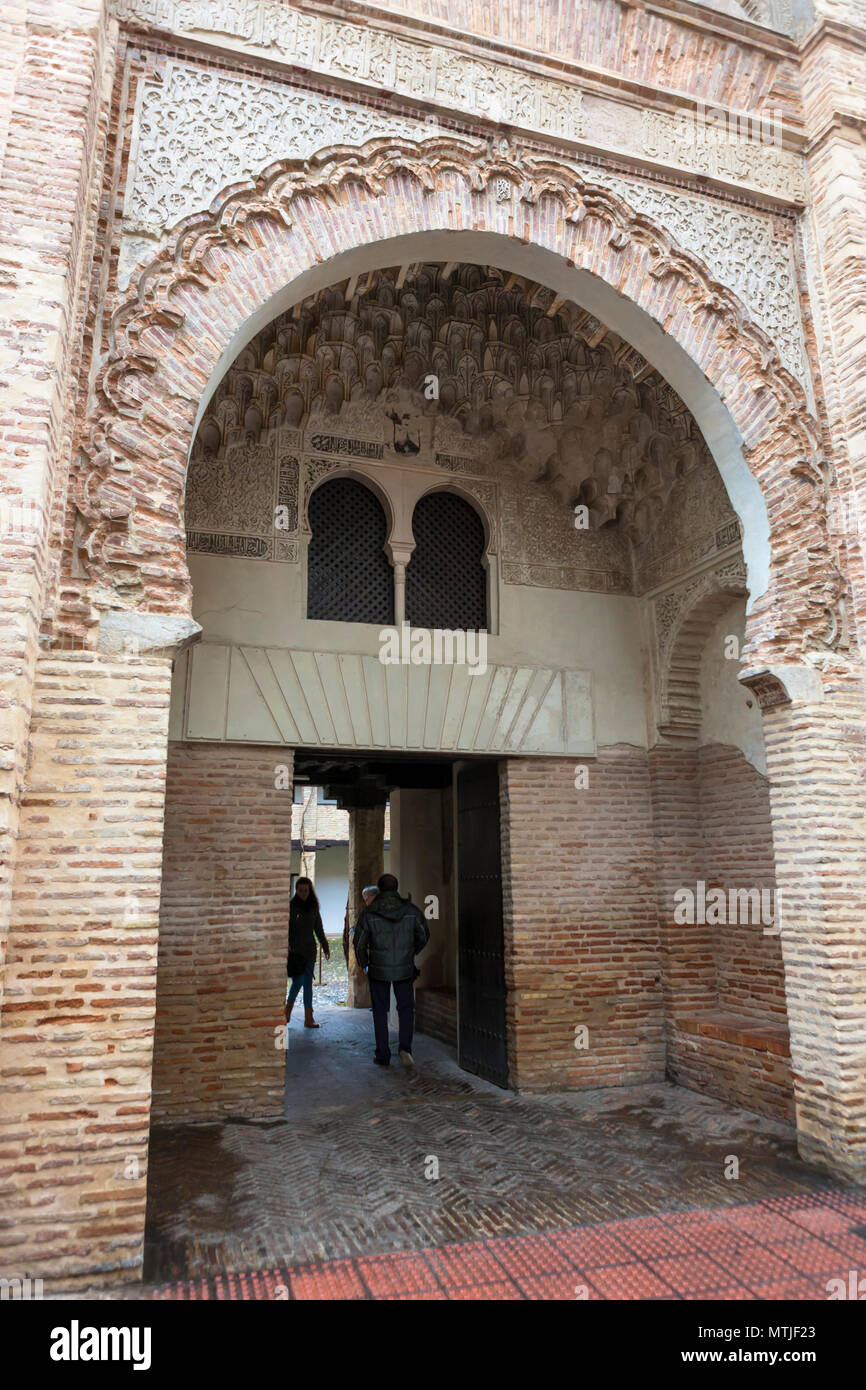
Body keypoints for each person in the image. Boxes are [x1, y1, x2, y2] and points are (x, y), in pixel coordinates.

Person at [353, 872, 429, 1067]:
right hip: (404, 968)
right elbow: (424, 935)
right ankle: (405, 1048)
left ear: (379, 890)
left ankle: (383, 1054)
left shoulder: (369, 913)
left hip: (378, 969)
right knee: (406, 1009)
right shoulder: (411, 910)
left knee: (379, 1011)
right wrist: (410, 953)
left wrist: (365, 963)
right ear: (396, 888)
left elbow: (359, 942)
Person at [285, 876, 329, 1028]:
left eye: (306, 890)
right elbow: (286, 929)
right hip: (296, 952)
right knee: (298, 983)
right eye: (300, 890)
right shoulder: (290, 907)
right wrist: (288, 946)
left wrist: (325, 945)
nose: (303, 893)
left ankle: (308, 1018)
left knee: (308, 984)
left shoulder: (314, 907)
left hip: (310, 951)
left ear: (310, 891)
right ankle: (286, 1012)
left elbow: (319, 929)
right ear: (296, 891)